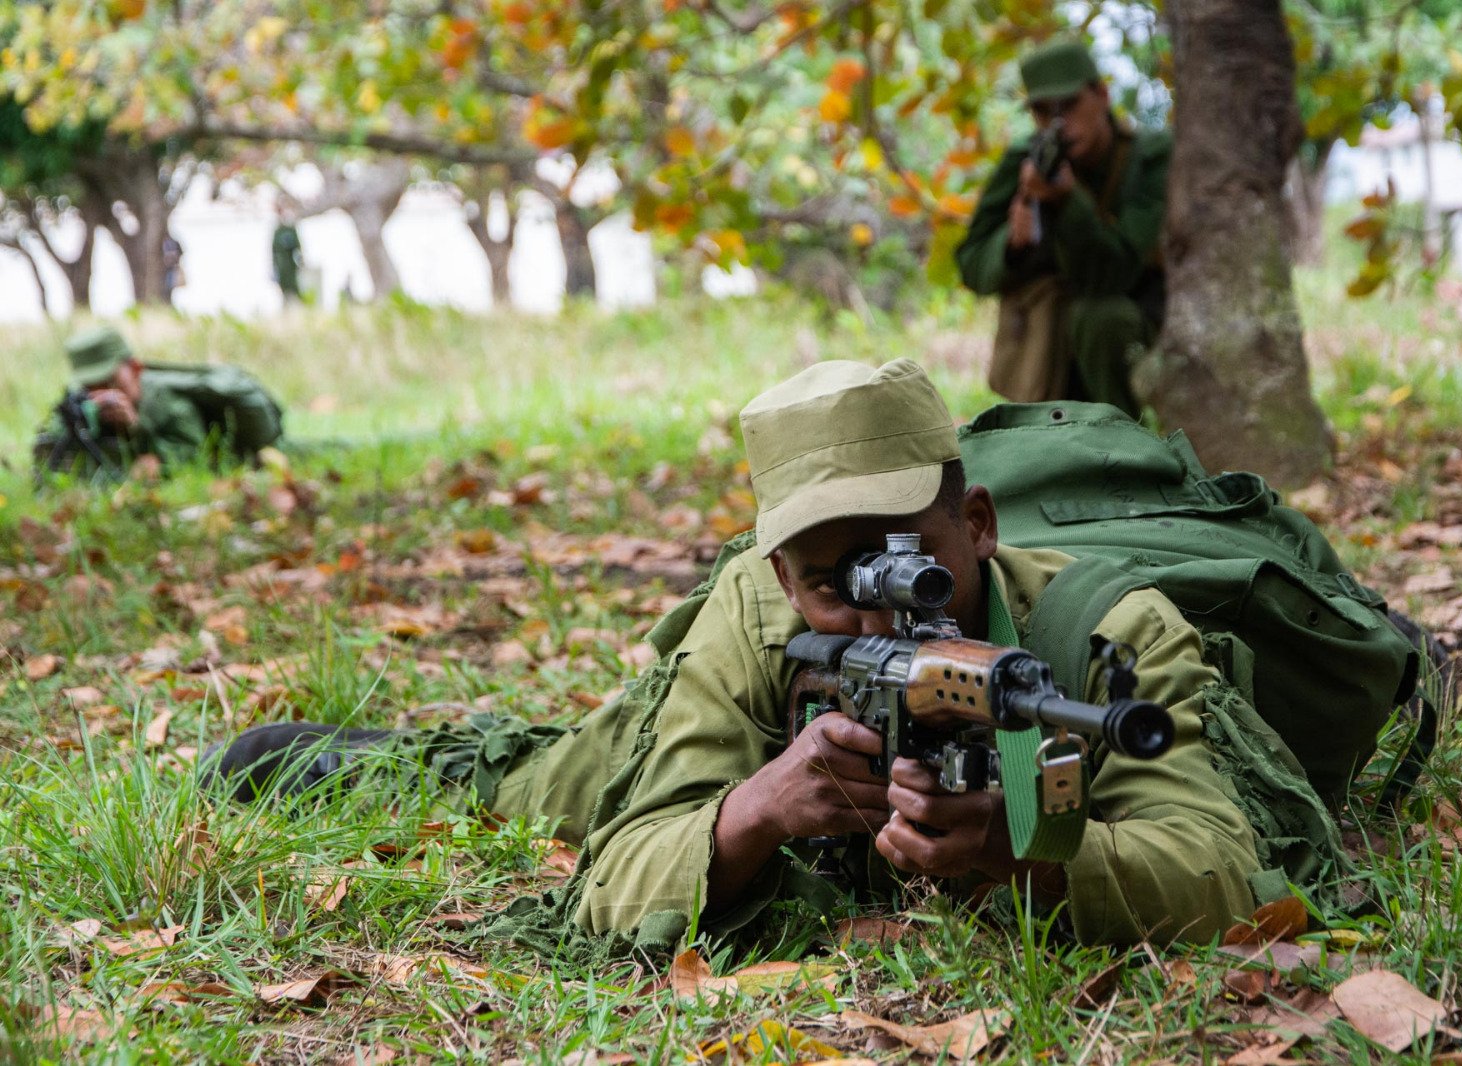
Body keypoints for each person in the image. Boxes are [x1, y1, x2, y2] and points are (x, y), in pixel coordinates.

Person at [209, 360, 1331, 950]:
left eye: (906, 557)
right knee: (547, 779)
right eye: (826, 578)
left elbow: (1223, 869)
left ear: (978, 525)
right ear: (779, 573)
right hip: (680, 734)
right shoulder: (754, 615)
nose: (869, 607)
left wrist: (1029, 859)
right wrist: (753, 811)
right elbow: (612, 874)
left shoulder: (1105, 636)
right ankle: (365, 757)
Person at [955, 39, 1170, 416]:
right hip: (1049, 346)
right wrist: (1012, 245)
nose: (1058, 123)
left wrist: (1067, 201)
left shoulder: (1149, 157)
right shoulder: (1026, 160)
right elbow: (971, 262)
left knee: (1101, 318)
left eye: (1069, 105)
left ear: (1101, 95)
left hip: (1136, 331)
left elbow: (1117, 271)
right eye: (1042, 110)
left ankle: (1124, 447)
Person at [32, 325, 285, 480]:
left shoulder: (167, 402)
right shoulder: (80, 405)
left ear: (135, 368)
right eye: (90, 386)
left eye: (109, 381)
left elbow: (192, 454)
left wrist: (135, 426)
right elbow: (47, 449)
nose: (100, 394)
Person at [271, 206, 303, 306]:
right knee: (284, 293)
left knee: (296, 291)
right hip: (281, 268)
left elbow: (298, 249)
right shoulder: (277, 232)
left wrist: (301, 263)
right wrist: (274, 269)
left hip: (291, 267)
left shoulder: (291, 230)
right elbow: (273, 252)